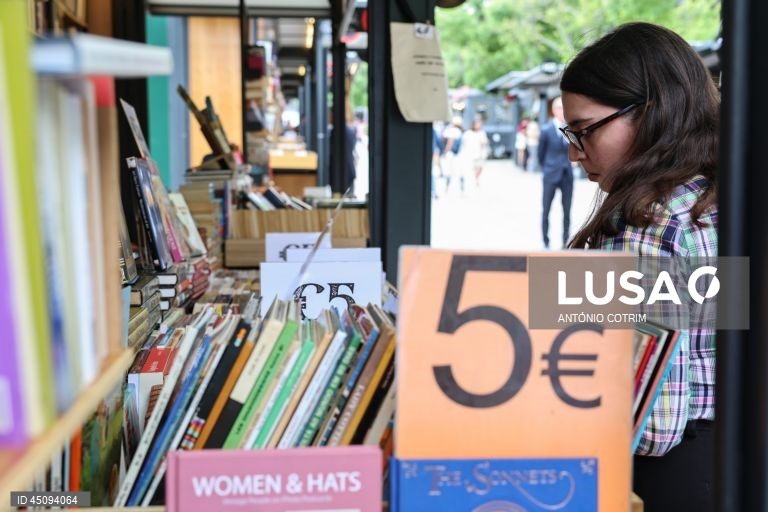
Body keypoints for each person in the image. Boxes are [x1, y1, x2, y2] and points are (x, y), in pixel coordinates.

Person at [560, 22, 719, 512]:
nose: (574, 152)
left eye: (585, 130)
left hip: (664, 479)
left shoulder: (649, 221)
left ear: (650, 112)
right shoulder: (718, 196)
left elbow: (655, 425)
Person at [538, 97, 573, 249]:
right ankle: (546, 242)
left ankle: (565, 241)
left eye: (564, 108)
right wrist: (547, 168)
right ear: (553, 110)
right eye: (559, 107)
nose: (562, 111)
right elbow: (540, 154)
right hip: (550, 174)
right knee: (546, 209)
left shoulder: (569, 130)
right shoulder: (546, 130)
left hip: (567, 175)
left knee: (567, 210)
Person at [458, 118, 489, 186]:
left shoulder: (482, 133)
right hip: (470, 153)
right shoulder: (468, 133)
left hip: (480, 154)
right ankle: (474, 180)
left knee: (480, 167)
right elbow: (464, 143)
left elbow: (485, 141)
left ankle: (476, 178)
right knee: (473, 167)